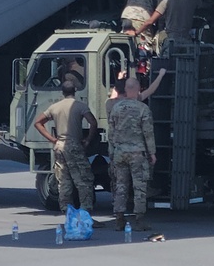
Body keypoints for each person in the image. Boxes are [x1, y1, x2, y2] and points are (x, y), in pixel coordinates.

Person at [33, 79, 98, 217]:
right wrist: (87, 140)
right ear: (75, 90)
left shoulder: (54, 107)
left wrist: (52, 139)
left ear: (62, 92)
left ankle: (68, 213)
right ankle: (85, 213)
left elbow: (38, 123)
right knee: (83, 181)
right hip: (74, 145)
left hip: (59, 146)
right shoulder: (80, 106)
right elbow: (93, 122)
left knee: (64, 181)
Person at [107, 76, 156, 232]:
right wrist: (152, 153)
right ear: (138, 89)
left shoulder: (116, 108)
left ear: (126, 90)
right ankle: (139, 221)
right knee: (139, 187)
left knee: (121, 186)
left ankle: (119, 220)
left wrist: (113, 152)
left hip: (120, 153)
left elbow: (111, 133)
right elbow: (148, 133)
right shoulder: (143, 109)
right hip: (137, 153)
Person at [132, 0, 204, 48]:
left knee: (168, 58)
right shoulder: (194, 1)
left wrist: (136, 33)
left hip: (172, 41)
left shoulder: (166, 2)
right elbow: (205, 7)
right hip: (186, 40)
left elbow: (150, 21)